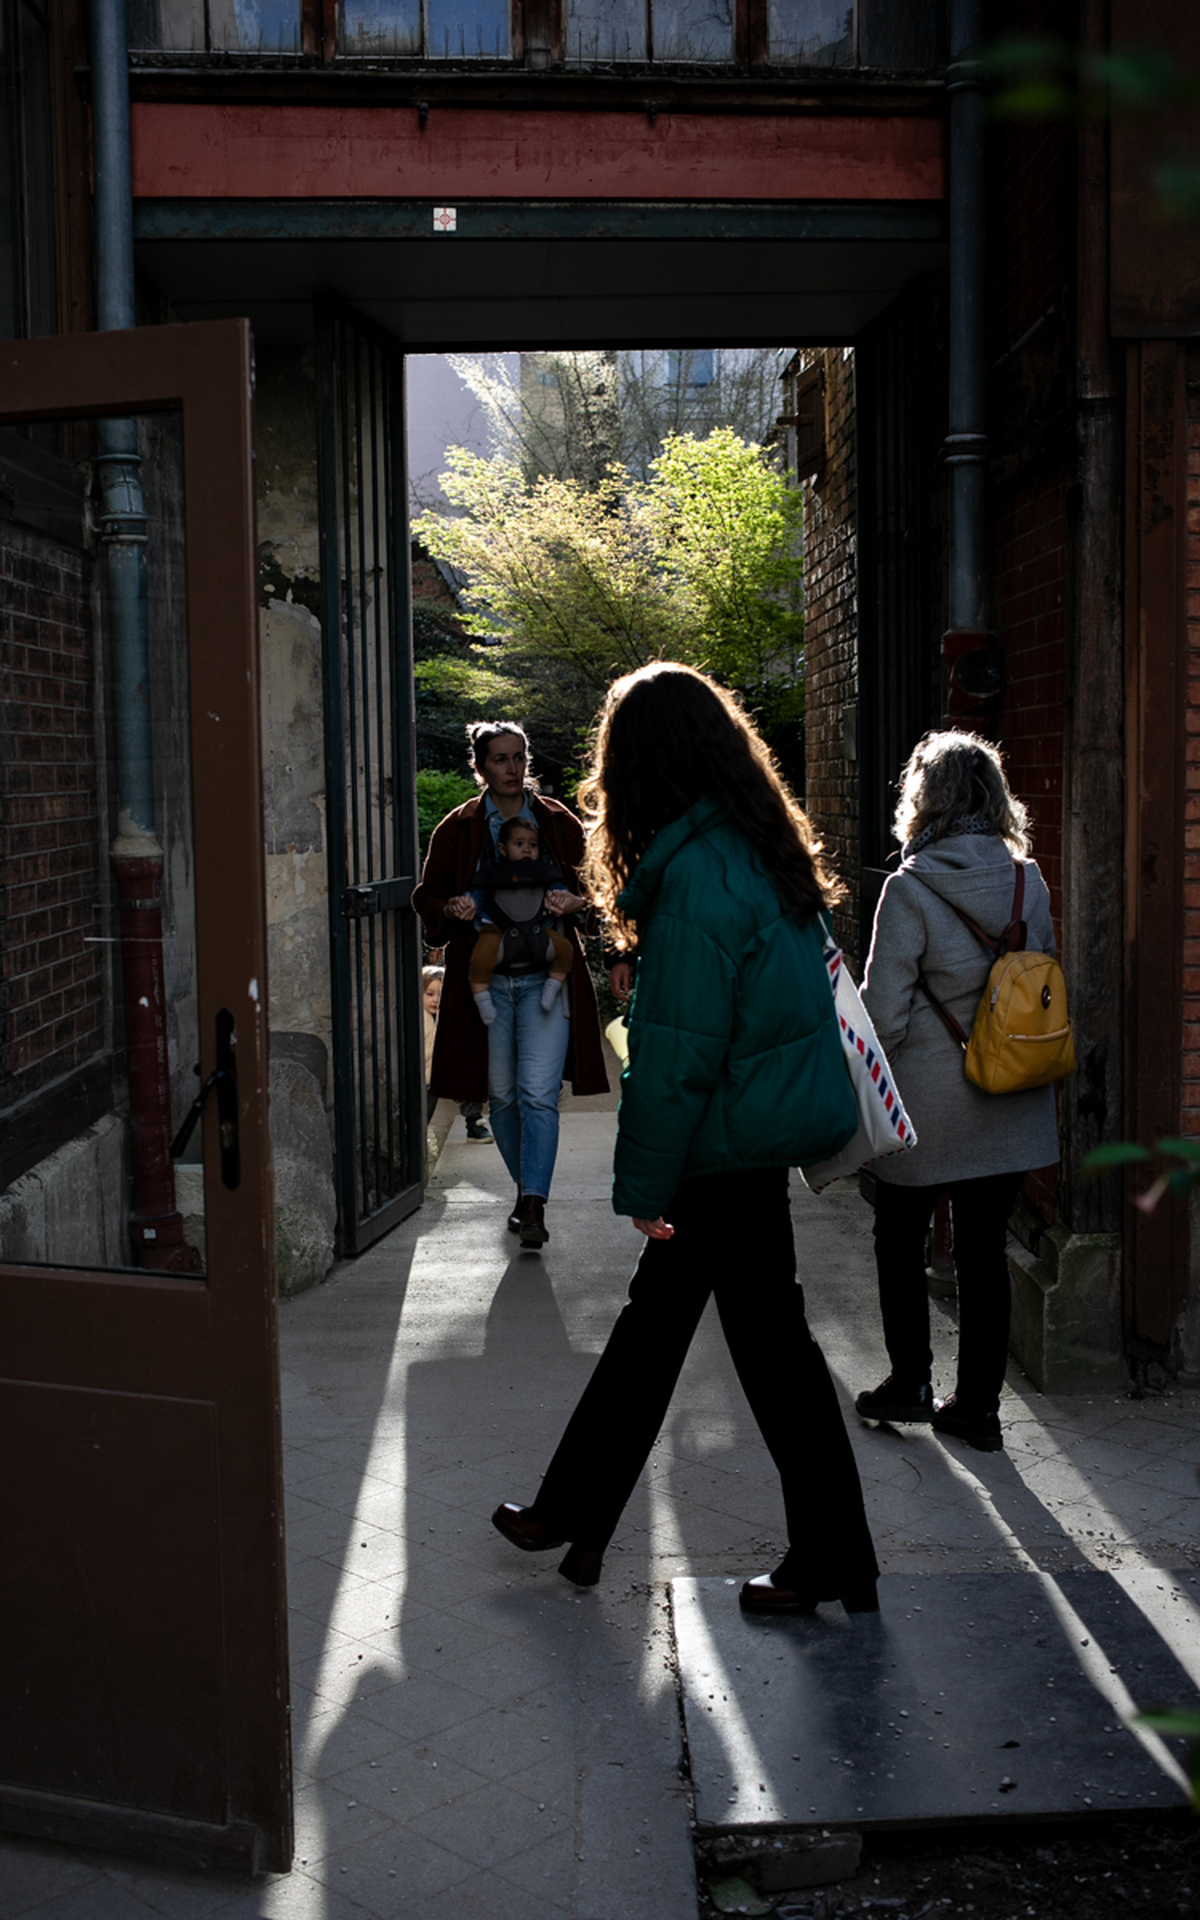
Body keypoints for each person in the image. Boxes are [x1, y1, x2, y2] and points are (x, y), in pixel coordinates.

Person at [491, 663, 880, 1613]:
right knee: (673, 1335)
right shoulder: (751, 850)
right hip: (742, 1143)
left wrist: (643, 1189)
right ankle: (574, 1517)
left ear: (647, 763)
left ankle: (825, 1556)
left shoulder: (700, 876)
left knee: (756, 1354)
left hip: (719, 1150)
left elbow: (679, 1060)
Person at [854, 729, 1060, 1454]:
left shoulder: (908, 889)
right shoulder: (1023, 879)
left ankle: (910, 1381)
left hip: (928, 1104)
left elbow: (883, 1015)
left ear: (925, 800)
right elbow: (1040, 978)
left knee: (897, 1235)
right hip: (1011, 1095)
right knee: (984, 1250)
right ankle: (977, 1408)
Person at [413, 721, 608, 1248]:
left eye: (519, 757)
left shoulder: (557, 823)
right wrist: (450, 908)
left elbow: (598, 886)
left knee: (538, 1095)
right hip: (486, 986)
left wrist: (578, 903)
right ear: (479, 766)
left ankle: (534, 1205)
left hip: (549, 976)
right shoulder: (457, 828)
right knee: (501, 1098)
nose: (512, 767)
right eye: (499, 758)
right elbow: (426, 894)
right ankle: (528, 1191)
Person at [467, 817, 573, 1024]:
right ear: (503, 849)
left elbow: (560, 890)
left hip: (536, 930)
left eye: (532, 845)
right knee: (480, 959)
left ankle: (552, 987)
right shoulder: (492, 874)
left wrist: (563, 898)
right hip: (496, 930)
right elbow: (476, 896)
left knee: (565, 949)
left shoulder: (543, 872)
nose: (527, 849)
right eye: (519, 844)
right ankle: (482, 998)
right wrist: (466, 902)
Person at [422, 964, 444, 1123]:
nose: (436, 1000)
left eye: (441, 995)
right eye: (430, 994)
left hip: (433, 1083)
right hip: (421, 1081)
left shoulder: (442, 1019)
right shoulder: (421, 1019)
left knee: (426, 1119)